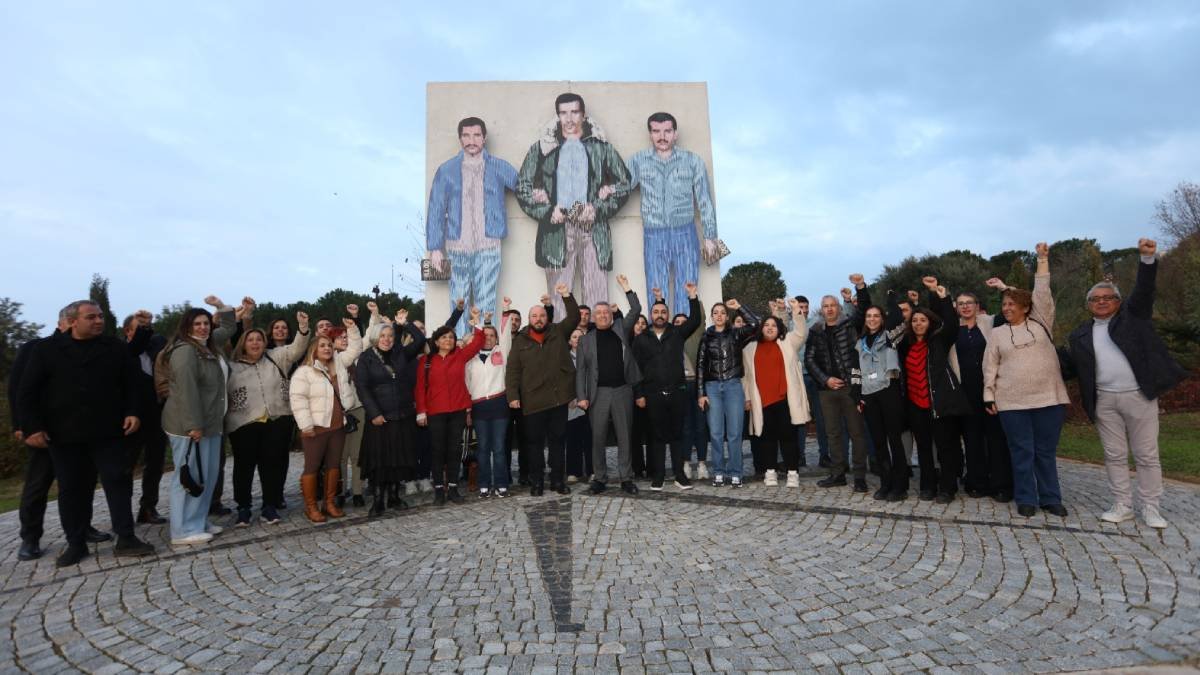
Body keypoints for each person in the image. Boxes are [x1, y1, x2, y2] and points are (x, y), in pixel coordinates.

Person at [16, 300, 157, 566]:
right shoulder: (46, 350)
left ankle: (126, 537)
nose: (99, 321)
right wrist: (31, 427)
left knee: (117, 480)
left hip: (108, 430)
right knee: (71, 489)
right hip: (64, 434)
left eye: (101, 316)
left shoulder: (114, 347)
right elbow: (27, 391)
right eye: (91, 317)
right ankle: (76, 543)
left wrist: (133, 412)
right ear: (72, 321)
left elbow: (131, 383)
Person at [1064, 238, 1184, 528]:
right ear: (1088, 305)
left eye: (1108, 297)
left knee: (1146, 454)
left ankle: (1151, 507)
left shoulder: (1132, 317)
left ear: (1118, 302)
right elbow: (1070, 367)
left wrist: (1146, 259)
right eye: (1095, 299)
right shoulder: (1080, 335)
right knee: (1114, 455)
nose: (1101, 302)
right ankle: (1122, 504)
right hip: (1104, 400)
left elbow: (1144, 291)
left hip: (1138, 396)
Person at [516, 93, 631, 316]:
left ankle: (596, 349)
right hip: (557, 232)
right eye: (563, 113)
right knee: (559, 304)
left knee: (598, 302)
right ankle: (564, 350)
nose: (569, 119)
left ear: (583, 115)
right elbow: (522, 188)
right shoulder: (542, 148)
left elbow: (624, 184)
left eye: (574, 112)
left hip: (593, 230)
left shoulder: (602, 148)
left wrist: (597, 208)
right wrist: (549, 211)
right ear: (558, 116)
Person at [10, 310, 111, 562]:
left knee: (84, 482)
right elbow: (19, 389)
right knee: (38, 483)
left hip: (79, 431)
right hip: (45, 431)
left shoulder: (88, 349)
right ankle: (30, 536)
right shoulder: (37, 348)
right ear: (64, 322)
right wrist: (24, 425)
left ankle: (82, 526)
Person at [983, 243, 1071, 518]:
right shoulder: (998, 333)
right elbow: (990, 366)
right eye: (1004, 304)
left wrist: (1042, 259)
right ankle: (1026, 498)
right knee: (1021, 452)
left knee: (1045, 451)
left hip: (1049, 399)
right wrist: (989, 395)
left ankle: (1050, 498)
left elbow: (1042, 291)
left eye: (1011, 304)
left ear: (1025, 307)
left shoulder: (1041, 322)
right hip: (1012, 402)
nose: (1006, 308)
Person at [427, 117, 520, 335]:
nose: (472, 140)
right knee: (458, 299)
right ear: (460, 138)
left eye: (476, 135)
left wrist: (541, 195)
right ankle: (459, 346)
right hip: (456, 244)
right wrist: (435, 247)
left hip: (489, 243)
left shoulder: (498, 166)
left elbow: (523, 188)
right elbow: (436, 209)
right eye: (466, 135)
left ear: (484, 137)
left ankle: (485, 347)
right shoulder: (447, 170)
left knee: (486, 297)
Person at [622, 112, 719, 317]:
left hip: (685, 232)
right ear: (650, 134)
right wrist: (599, 194)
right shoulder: (638, 161)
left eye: (667, 131)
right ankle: (657, 343)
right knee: (656, 291)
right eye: (656, 131)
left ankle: (685, 344)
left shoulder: (693, 161)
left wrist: (710, 236)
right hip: (653, 233)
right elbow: (621, 189)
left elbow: (704, 201)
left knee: (688, 289)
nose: (662, 136)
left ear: (675, 134)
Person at [159, 298, 238, 545]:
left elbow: (230, 327)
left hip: (211, 422)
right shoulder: (185, 351)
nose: (203, 327)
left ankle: (198, 520)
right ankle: (182, 531)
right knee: (189, 477)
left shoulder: (208, 344)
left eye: (206, 323)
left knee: (208, 475)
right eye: (197, 324)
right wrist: (193, 425)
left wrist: (222, 307)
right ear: (187, 326)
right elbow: (186, 390)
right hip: (190, 426)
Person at [225, 310, 310, 526]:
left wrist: (302, 328)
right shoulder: (231, 367)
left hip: (275, 420)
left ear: (265, 343)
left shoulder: (276, 357)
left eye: (259, 340)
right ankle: (243, 507)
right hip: (244, 423)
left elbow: (297, 348)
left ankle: (269, 505)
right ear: (244, 343)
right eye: (250, 340)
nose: (255, 343)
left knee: (271, 465)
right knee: (243, 467)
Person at [896, 277, 972, 503]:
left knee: (945, 447)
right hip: (915, 404)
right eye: (915, 320)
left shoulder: (940, 341)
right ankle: (927, 485)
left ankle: (947, 488)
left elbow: (949, 321)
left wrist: (940, 296)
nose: (919, 323)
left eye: (923, 320)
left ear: (929, 323)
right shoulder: (906, 345)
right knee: (924, 450)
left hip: (939, 402)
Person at [507, 283, 580, 495]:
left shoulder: (558, 331)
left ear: (546, 318)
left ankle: (558, 481)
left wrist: (566, 295)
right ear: (529, 320)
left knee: (558, 443)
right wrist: (513, 396)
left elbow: (574, 317)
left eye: (541, 315)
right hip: (533, 402)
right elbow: (512, 371)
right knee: (534, 445)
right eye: (534, 316)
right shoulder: (520, 341)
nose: (538, 319)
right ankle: (537, 482)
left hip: (558, 399)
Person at [289, 318, 362, 523]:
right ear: (314, 349)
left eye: (329, 345)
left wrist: (353, 328)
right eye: (322, 345)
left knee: (333, 466)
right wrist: (305, 425)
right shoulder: (304, 372)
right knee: (312, 467)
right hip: (316, 427)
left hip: (338, 426)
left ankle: (329, 503)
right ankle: (311, 507)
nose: (327, 348)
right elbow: (298, 399)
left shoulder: (339, 363)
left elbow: (356, 347)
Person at [632, 282, 703, 490]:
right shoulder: (641, 339)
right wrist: (639, 394)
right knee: (657, 436)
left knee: (677, 435)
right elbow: (635, 369)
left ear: (667, 314)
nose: (660, 315)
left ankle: (679, 475)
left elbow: (696, 319)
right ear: (651, 315)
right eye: (656, 312)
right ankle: (659, 476)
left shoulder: (677, 333)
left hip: (677, 393)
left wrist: (692, 296)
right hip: (652, 395)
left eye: (663, 312)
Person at [355, 309, 426, 515]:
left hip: (402, 415)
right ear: (376, 337)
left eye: (390, 336)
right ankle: (378, 500)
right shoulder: (366, 358)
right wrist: (374, 413)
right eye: (383, 336)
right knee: (380, 461)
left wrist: (404, 324)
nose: (387, 339)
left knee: (398, 459)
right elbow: (363, 388)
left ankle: (395, 496)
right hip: (380, 418)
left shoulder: (400, 353)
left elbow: (420, 339)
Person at [576, 275, 643, 495]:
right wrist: (582, 396)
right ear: (594, 318)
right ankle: (600, 477)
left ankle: (626, 478)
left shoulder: (621, 329)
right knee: (598, 438)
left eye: (606, 313)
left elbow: (636, 309)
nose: (603, 316)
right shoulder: (586, 340)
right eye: (599, 314)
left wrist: (627, 288)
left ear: (611, 315)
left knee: (625, 436)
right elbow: (581, 371)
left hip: (623, 391)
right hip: (598, 394)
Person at [806, 275, 873, 492]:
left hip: (851, 387)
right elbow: (809, 359)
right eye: (825, 306)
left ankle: (860, 476)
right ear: (822, 309)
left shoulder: (849, 324)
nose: (829, 309)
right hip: (827, 390)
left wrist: (860, 287)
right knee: (832, 433)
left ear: (838, 307)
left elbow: (863, 310)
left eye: (833, 305)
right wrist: (825, 379)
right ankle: (838, 474)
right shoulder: (815, 331)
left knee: (856, 432)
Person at [949, 284, 1013, 502]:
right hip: (964, 392)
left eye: (969, 303)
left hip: (990, 391)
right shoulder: (951, 328)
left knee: (996, 439)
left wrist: (1005, 289)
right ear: (955, 307)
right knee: (972, 439)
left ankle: (1001, 484)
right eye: (961, 304)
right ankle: (977, 482)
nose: (965, 307)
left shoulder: (991, 323)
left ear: (978, 306)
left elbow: (1017, 307)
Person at [416, 309, 487, 505]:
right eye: (444, 337)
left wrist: (477, 323)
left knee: (454, 450)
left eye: (451, 337)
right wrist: (421, 411)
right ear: (436, 341)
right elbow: (420, 388)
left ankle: (454, 488)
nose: (448, 340)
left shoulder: (460, 356)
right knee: (438, 451)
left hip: (457, 410)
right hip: (435, 412)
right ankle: (439, 489)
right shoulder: (426, 361)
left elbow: (478, 342)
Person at [741, 298, 811, 488]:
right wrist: (747, 397)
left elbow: (801, 332)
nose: (770, 328)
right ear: (761, 328)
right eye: (766, 325)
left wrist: (796, 310)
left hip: (785, 400)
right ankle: (770, 472)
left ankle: (792, 472)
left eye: (774, 325)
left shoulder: (788, 342)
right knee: (766, 439)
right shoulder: (749, 349)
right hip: (761, 402)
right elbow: (746, 377)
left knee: (788, 438)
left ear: (779, 329)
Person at [697, 298, 759, 487]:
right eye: (715, 312)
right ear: (711, 316)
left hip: (733, 386)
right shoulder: (706, 337)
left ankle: (735, 472)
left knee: (734, 433)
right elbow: (700, 366)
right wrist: (701, 393)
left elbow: (756, 325)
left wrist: (740, 307)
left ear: (727, 316)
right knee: (716, 433)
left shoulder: (736, 334)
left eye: (722, 312)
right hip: (713, 387)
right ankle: (718, 471)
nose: (719, 315)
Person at [853, 300, 909, 501]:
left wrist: (891, 296)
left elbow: (897, 316)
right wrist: (857, 396)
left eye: (876, 316)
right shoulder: (859, 344)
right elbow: (855, 373)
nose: (872, 319)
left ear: (882, 319)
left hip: (889, 390)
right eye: (869, 316)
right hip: (869, 394)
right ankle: (886, 483)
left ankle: (900, 486)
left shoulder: (890, 337)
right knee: (878, 442)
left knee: (894, 439)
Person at [120, 310, 169, 524]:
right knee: (125, 468)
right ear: (127, 331)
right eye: (138, 328)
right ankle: (121, 512)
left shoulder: (153, 351)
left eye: (147, 328)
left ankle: (148, 507)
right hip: (129, 420)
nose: (144, 333)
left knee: (155, 464)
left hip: (156, 417)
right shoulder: (120, 352)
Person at [465, 301, 516, 498]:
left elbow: (506, 336)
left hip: (499, 405)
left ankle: (502, 483)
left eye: (491, 336)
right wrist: (468, 409)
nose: (488, 339)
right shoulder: (471, 358)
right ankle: (484, 485)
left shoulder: (501, 352)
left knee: (499, 447)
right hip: (479, 406)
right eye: (484, 336)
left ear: (496, 339)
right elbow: (467, 383)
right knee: (483, 448)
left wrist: (505, 311)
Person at [677, 309, 709, 479]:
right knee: (686, 427)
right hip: (680, 387)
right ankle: (686, 463)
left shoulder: (696, 338)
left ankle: (702, 463)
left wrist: (695, 298)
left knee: (701, 426)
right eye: (677, 322)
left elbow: (701, 319)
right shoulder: (671, 340)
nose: (681, 324)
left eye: (684, 321)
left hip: (697, 385)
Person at [563, 328, 593, 483]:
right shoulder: (565, 359)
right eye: (574, 337)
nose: (577, 339)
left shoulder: (592, 357)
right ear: (569, 341)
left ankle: (592, 470)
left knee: (591, 438)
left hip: (591, 402)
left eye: (580, 337)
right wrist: (569, 398)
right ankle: (573, 471)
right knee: (573, 438)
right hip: (572, 404)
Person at [629, 314, 651, 478]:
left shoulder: (651, 345)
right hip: (630, 394)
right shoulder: (626, 345)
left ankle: (652, 467)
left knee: (651, 433)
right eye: (637, 323)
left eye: (644, 323)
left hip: (650, 392)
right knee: (634, 433)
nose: (640, 326)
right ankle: (637, 468)